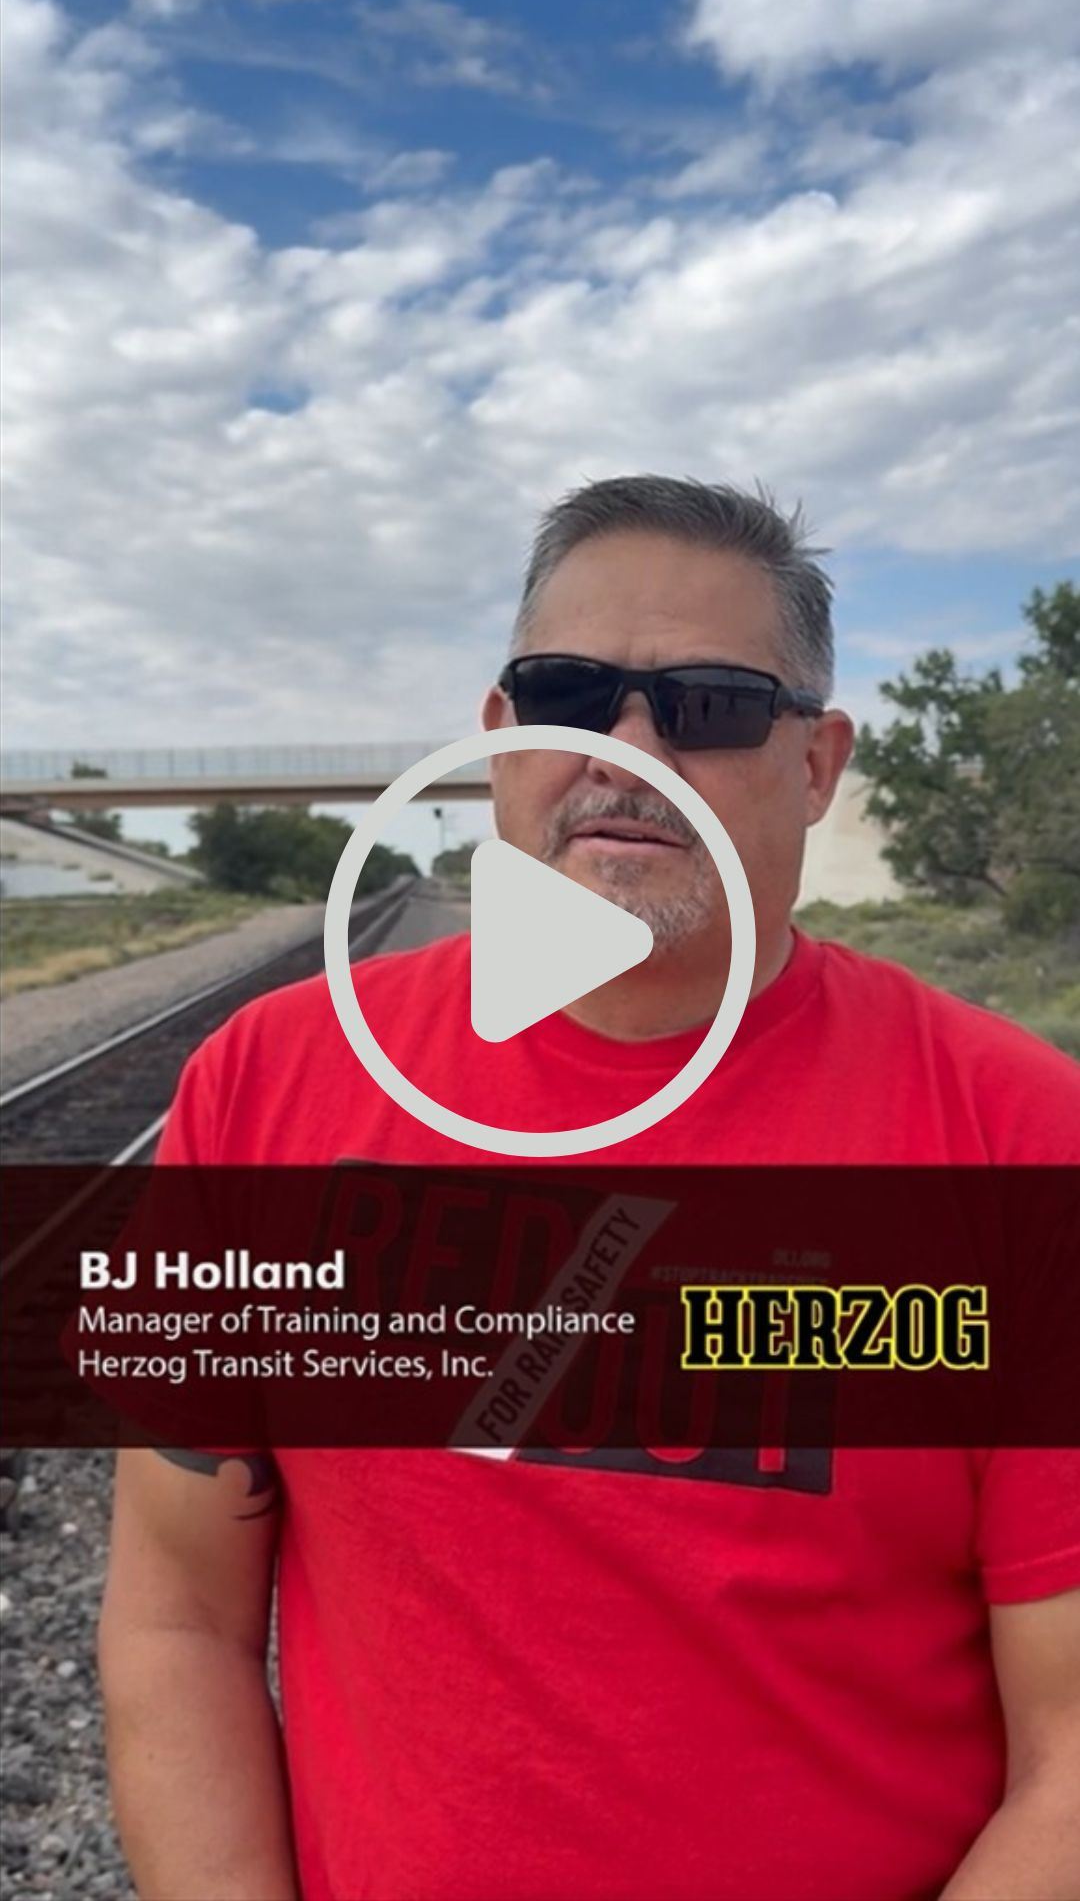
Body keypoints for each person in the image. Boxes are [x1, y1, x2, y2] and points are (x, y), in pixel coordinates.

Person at [99, 477, 1080, 1900]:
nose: (627, 753)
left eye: (709, 706)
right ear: (501, 733)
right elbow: (177, 1617)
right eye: (568, 693)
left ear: (817, 765)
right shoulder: (264, 1087)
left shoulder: (1017, 1141)